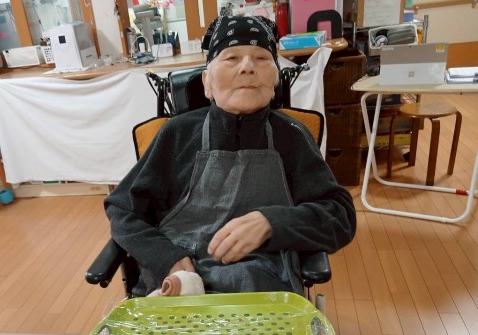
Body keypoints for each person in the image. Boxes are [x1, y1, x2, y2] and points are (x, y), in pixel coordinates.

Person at [104, 15, 356, 296]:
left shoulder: (291, 137)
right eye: (232, 58)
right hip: (179, 287)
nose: (247, 67)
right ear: (207, 82)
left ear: (275, 79)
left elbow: (340, 217)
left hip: (263, 291)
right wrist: (166, 257)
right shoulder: (177, 134)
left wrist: (272, 223)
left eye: (261, 58)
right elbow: (122, 209)